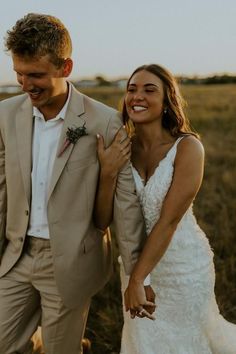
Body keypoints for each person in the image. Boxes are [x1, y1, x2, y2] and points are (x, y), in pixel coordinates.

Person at [0, 13, 150, 354]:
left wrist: (136, 276)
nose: (25, 86)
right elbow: (2, 189)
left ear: (65, 68)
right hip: (15, 256)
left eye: (36, 75)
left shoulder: (105, 120)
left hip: (70, 260)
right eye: (18, 74)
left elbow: (125, 205)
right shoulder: (5, 115)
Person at [95, 63, 236, 353]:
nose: (137, 96)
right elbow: (101, 221)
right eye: (131, 89)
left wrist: (137, 280)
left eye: (149, 90)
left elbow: (169, 221)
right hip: (134, 262)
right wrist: (107, 172)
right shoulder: (122, 148)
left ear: (167, 100)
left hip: (182, 268)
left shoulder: (188, 148)